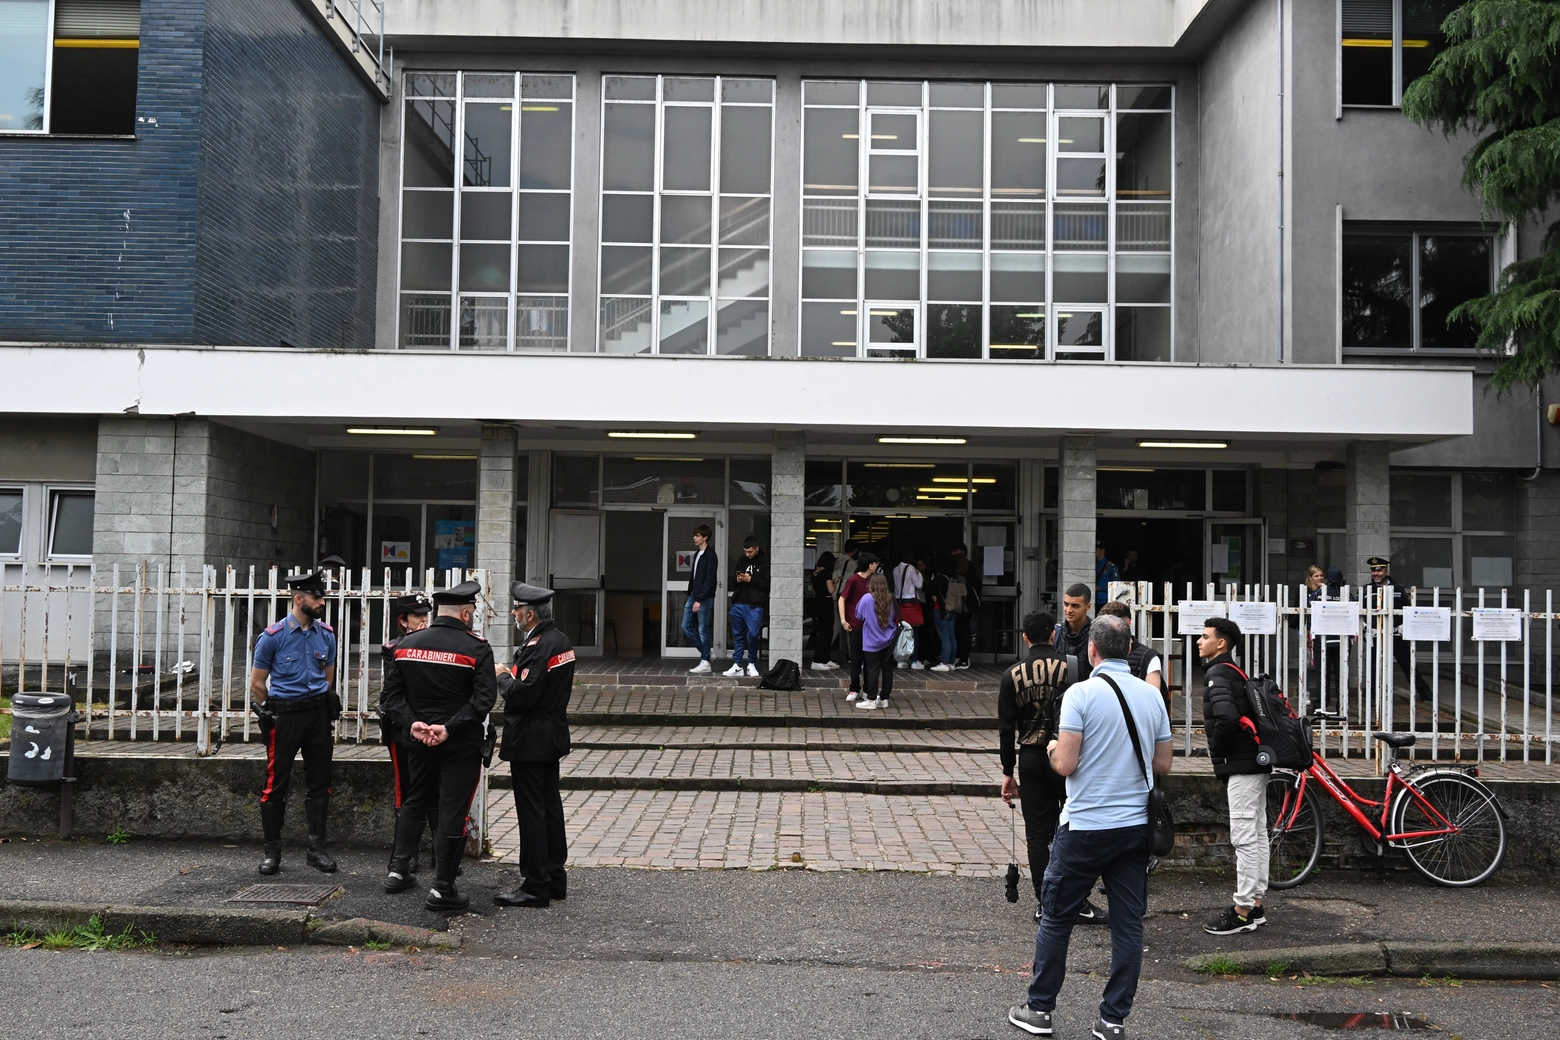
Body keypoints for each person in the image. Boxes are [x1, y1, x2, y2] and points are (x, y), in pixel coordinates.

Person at [1007, 614, 1172, 1040]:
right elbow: (1163, 764)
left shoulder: (1080, 694)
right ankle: (1112, 1020)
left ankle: (1040, 1010)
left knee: (1058, 917)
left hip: (1085, 826)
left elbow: (1065, 764)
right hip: (1135, 826)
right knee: (1129, 924)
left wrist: (1048, 745)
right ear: (1130, 647)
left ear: (1092, 650)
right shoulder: (1152, 697)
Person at [377, 580, 496, 911]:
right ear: (467, 612)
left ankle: (398, 872)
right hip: (459, 746)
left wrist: (412, 723)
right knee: (452, 811)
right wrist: (449, 727)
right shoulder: (476, 648)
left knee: (414, 801)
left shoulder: (405, 646)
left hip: (417, 742)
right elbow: (484, 699)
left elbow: (391, 697)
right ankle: (443, 888)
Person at [999, 610, 1106, 925]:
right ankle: (1078, 898)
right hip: (1067, 754)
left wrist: (1008, 772)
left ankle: (1046, 902)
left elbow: (1007, 730)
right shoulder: (1073, 668)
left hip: (1030, 757)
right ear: (1054, 635)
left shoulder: (1012, 675)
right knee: (1075, 826)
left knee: (1038, 834)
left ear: (1025, 637)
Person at [250, 569, 339, 876]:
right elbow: (257, 684)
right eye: (317, 597)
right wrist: (273, 714)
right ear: (299, 599)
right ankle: (272, 852)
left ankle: (316, 850)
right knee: (276, 784)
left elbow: (327, 678)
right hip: (284, 716)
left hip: (316, 715)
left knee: (320, 783)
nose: (322, 602)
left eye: (323, 596)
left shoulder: (326, 634)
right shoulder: (272, 637)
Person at [494, 581, 576, 908]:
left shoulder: (539, 647)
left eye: (516, 609)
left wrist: (501, 675)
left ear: (529, 614)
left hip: (530, 738)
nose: (513, 613)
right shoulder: (561, 641)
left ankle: (535, 884)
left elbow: (523, 695)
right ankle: (555, 877)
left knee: (531, 811)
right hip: (551, 734)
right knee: (549, 807)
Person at [1197, 615, 1270, 936]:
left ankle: (1241, 911)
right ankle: (1255, 904)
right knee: (1257, 832)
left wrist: (1217, 749)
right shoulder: (1234, 670)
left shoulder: (1217, 673)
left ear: (1220, 643)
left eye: (1204, 636)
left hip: (1241, 765)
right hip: (1255, 762)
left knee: (1244, 836)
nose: (1199, 641)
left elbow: (1225, 718)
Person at [379, 592, 436, 890]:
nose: (424, 621)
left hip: (429, 729)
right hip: (403, 729)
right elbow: (393, 695)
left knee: (435, 790)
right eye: (418, 617)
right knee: (407, 792)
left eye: (427, 616)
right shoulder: (394, 648)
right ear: (403, 621)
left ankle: (440, 853)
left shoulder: (435, 644)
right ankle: (404, 858)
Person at [1367, 555, 1419, 696]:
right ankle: (1372, 696)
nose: (1376, 574)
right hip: (1376, 633)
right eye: (1373, 571)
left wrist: (1404, 627)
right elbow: (1361, 611)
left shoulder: (1398, 589)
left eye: (1379, 570)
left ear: (1386, 571)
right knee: (1374, 666)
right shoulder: (1366, 590)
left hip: (1395, 634)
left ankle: (1424, 693)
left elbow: (1406, 609)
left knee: (1408, 664)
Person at [1096, 601, 1164, 699]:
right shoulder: (1097, 652)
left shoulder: (1149, 658)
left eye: (1111, 626)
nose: (1106, 632)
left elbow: (1152, 700)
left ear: (1127, 623)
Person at [853, 569, 899, 710]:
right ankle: (884, 698)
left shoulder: (867, 598)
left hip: (871, 641)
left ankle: (871, 699)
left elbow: (858, 616)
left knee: (872, 670)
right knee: (887, 670)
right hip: (889, 639)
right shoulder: (891, 598)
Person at [837, 551, 879, 701]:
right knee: (856, 658)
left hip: (871, 626)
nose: (876, 565)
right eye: (875, 563)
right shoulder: (854, 580)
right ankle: (854, 688)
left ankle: (868, 689)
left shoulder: (874, 580)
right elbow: (842, 599)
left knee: (870, 659)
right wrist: (843, 619)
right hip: (855, 625)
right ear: (870, 565)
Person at [726, 536, 769, 678]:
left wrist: (751, 579)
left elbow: (767, 584)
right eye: (745, 551)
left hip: (754, 604)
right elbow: (734, 579)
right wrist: (738, 579)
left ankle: (751, 663)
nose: (747, 554)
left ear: (757, 548)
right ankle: (738, 664)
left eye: (750, 552)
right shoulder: (742, 561)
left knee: (753, 635)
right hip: (739, 602)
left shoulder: (764, 562)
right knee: (738, 636)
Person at [682, 525, 718, 674]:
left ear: (705, 537)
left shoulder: (710, 555)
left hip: (703, 597)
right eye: (694, 535)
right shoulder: (697, 554)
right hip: (693, 596)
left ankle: (705, 662)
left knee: (703, 629)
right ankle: (707, 653)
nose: (694, 538)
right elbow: (695, 577)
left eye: (697, 535)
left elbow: (709, 580)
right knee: (686, 625)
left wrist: (699, 599)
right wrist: (692, 594)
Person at [830, 540, 861, 671]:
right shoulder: (852, 563)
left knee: (836, 625)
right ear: (855, 551)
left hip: (835, 596)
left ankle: (826, 650)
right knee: (850, 626)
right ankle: (851, 654)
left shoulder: (837, 561)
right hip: (846, 597)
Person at [892, 549, 925, 670]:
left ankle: (901, 660)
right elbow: (919, 585)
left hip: (899, 602)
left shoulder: (895, 569)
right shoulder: (911, 568)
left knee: (902, 632)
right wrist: (919, 573)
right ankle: (914, 660)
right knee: (914, 633)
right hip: (911, 602)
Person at [1054, 583, 1094, 683]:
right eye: (1066, 604)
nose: (1069, 610)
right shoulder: (1056, 633)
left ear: (1088, 606)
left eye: (1075, 606)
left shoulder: (1097, 634)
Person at [951, 543, 980, 669]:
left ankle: (963, 658)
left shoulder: (960, 578)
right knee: (964, 632)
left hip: (961, 607)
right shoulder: (970, 575)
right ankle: (963, 657)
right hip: (966, 607)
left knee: (962, 632)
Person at [808, 550, 838, 671]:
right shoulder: (827, 573)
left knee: (823, 631)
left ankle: (825, 658)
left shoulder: (814, 573)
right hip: (826, 602)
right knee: (827, 632)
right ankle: (818, 659)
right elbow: (830, 590)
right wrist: (835, 583)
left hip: (817, 602)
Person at [928, 561, 958, 672]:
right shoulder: (953, 579)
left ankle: (944, 663)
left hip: (940, 610)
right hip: (953, 610)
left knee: (944, 637)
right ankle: (951, 662)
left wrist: (934, 597)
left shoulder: (939, 579)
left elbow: (928, 588)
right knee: (952, 636)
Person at [1095, 543, 1121, 610]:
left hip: (1106, 601)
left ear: (1102, 551)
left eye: (1096, 549)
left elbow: (1118, 585)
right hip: (1093, 600)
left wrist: (1101, 588)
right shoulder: (1093, 565)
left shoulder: (1111, 566)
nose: (1094, 550)